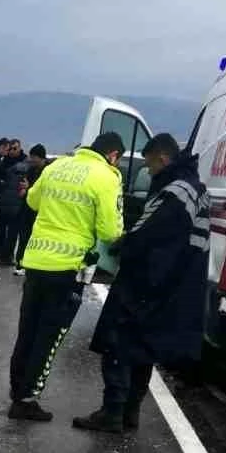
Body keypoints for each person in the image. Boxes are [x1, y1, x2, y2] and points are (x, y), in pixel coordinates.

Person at [74, 133, 210, 433]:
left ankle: (113, 412)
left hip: (148, 282)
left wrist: (120, 245)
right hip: (171, 283)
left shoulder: (176, 191)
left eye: (149, 165)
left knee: (118, 344)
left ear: (162, 158)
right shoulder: (194, 189)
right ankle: (130, 412)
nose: (148, 171)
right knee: (142, 349)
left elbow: (150, 232)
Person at [6, 130, 125, 420]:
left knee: (28, 329)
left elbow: (33, 201)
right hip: (68, 267)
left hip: (36, 260)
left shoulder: (57, 166)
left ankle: (16, 389)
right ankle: (26, 399)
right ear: (113, 155)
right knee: (49, 335)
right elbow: (110, 231)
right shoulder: (107, 178)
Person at [0, 140, 29, 266]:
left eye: (15, 148)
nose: (12, 151)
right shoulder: (3, 162)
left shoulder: (26, 163)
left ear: (19, 148)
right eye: (10, 149)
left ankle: (6, 257)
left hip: (17, 203)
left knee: (12, 232)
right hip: (3, 202)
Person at [14, 144, 49, 272]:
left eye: (33, 157)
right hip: (26, 208)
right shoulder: (31, 169)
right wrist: (23, 190)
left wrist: (29, 188)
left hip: (39, 211)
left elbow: (43, 191)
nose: (31, 159)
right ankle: (20, 263)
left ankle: (31, 264)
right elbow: (23, 185)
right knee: (23, 237)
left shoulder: (47, 172)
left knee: (34, 239)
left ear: (41, 157)